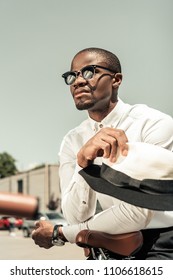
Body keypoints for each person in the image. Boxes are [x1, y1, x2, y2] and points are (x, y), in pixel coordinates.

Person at [32, 47, 173, 259]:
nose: (78, 81)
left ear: (116, 80)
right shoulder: (73, 140)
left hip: (159, 246)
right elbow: (75, 216)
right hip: (103, 250)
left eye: (89, 72)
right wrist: (83, 164)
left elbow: (139, 212)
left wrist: (60, 233)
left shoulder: (153, 124)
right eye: (72, 76)